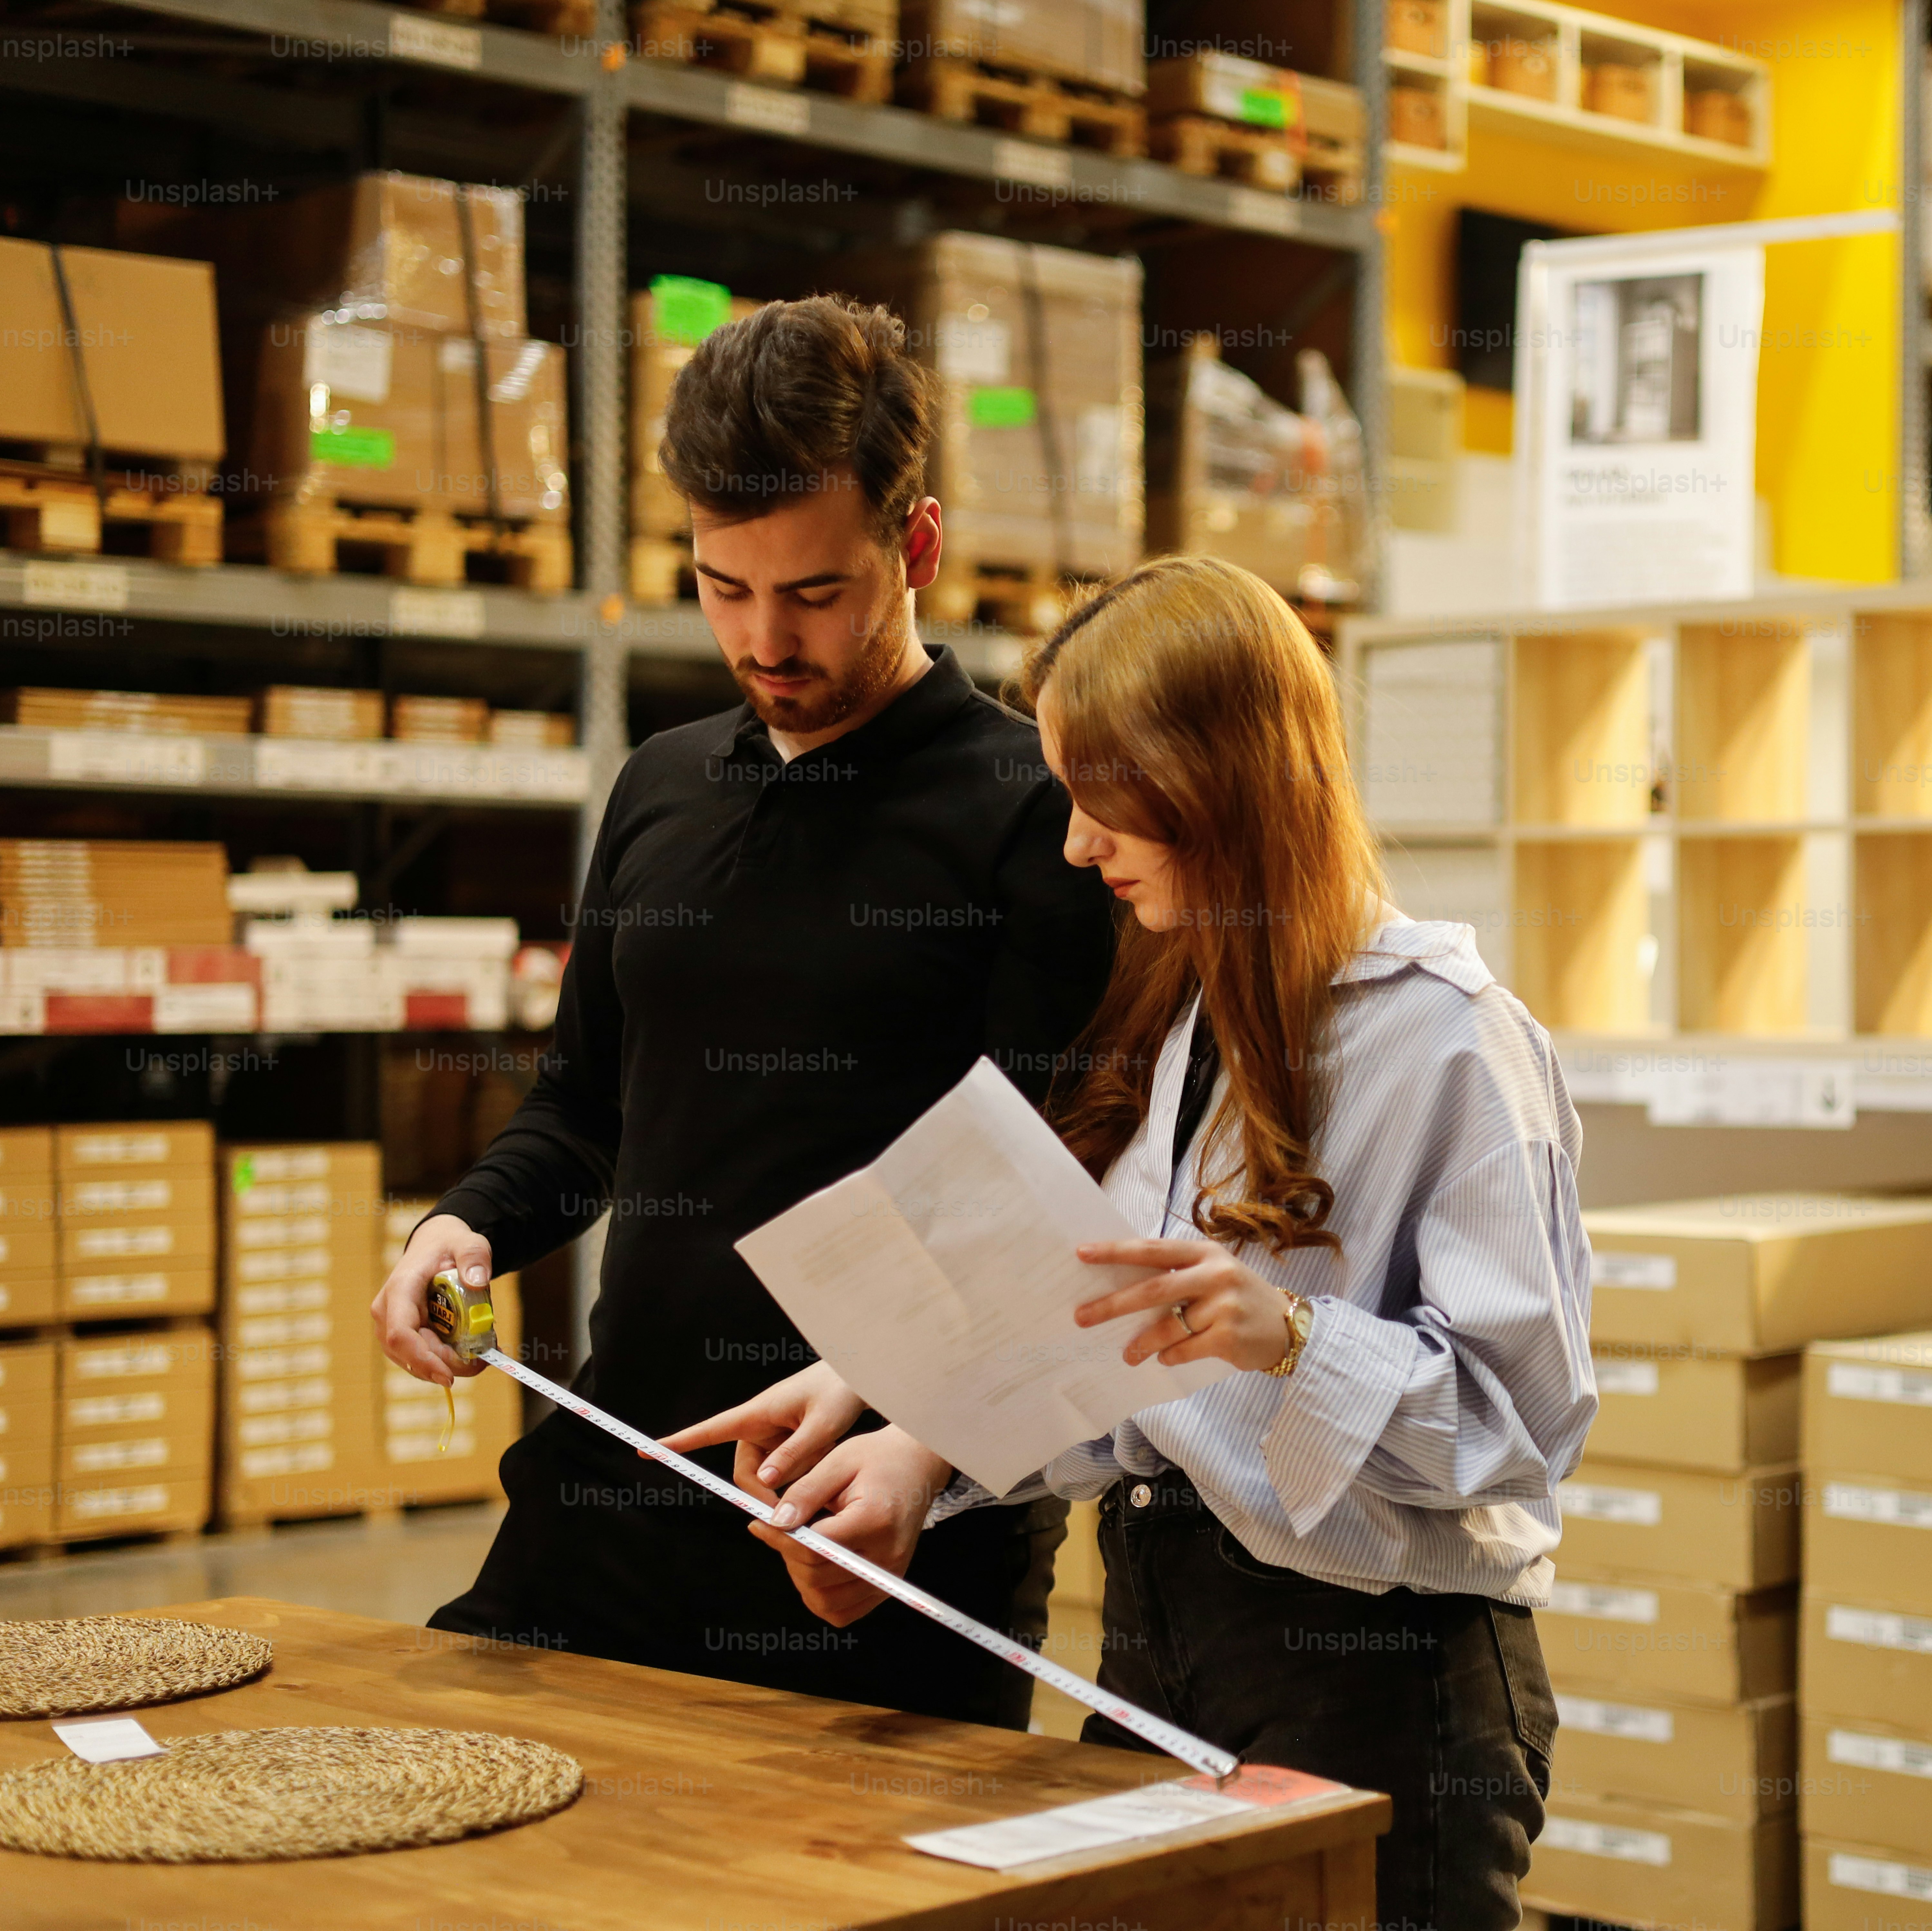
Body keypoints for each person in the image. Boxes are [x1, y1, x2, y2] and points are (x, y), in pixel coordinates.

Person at [669, 555, 1596, 1929]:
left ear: (1220, 784)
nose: (1076, 847)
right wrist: (906, 1436)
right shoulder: (1182, 1020)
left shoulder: (1451, 1041)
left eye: (1106, 803)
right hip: (1159, 1648)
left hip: (1381, 1686)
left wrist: (1290, 1338)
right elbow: (1131, 1374)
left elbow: (1521, 1425)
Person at [369, 295, 1117, 1725]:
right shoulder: (660, 786)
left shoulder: (1037, 817)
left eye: (814, 594)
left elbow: (1064, 1198)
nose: (766, 640)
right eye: (724, 588)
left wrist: (921, 1452)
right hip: (610, 1482)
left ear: (918, 547)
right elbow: (587, 1106)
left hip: (874, 1527)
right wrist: (462, 1223)